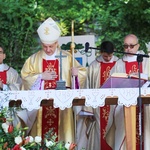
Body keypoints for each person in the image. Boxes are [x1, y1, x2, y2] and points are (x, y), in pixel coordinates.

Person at [20, 17, 87, 143]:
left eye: (51, 46)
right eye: (45, 46)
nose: (48, 49)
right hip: (41, 108)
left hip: (62, 108)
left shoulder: (67, 57)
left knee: (62, 137)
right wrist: (40, 77)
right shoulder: (33, 59)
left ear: (56, 43)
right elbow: (25, 77)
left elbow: (82, 73)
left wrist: (76, 75)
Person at [105, 34, 150, 150]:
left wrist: (143, 76)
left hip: (144, 105)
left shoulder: (146, 60)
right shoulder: (119, 64)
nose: (128, 49)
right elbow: (111, 83)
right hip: (124, 106)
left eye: (131, 46)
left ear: (138, 46)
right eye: (125, 46)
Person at [75, 41, 119, 150]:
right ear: (100, 52)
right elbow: (87, 87)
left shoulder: (119, 64)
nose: (108, 58)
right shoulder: (94, 66)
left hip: (116, 106)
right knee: (100, 132)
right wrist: (88, 109)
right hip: (99, 106)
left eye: (110, 55)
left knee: (116, 130)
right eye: (105, 56)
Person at [0, 45, 22, 126]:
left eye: (0, 52)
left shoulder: (12, 72)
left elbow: (18, 88)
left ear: (4, 55)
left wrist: (3, 86)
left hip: (8, 110)